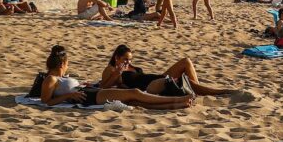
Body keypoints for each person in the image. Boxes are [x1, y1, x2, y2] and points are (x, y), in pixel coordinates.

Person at [31, 45, 194, 110]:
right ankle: (176, 100)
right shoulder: (51, 79)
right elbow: (46, 101)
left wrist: (80, 84)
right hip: (89, 96)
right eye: (67, 63)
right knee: (135, 92)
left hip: (90, 91)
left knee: (134, 100)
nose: (67, 66)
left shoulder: (60, 78)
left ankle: (177, 104)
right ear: (61, 64)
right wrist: (70, 95)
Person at [99, 44, 236, 96]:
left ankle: (195, 90)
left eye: (130, 59)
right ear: (117, 58)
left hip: (156, 78)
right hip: (149, 86)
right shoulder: (111, 69)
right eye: (125, 59)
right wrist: (117, 74)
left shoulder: (129, 67)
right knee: (184, 80)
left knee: (186, 61)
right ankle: (219, 92)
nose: (128, 62)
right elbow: (103, 87)